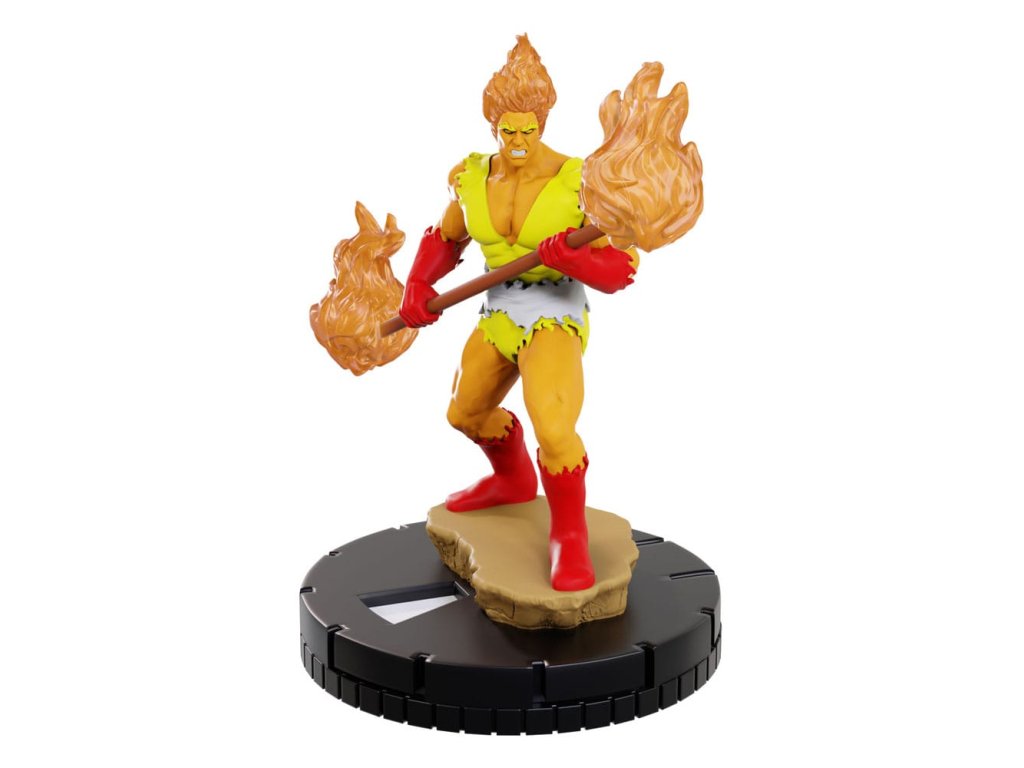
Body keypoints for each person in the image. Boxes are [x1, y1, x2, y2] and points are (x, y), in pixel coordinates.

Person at [398, 35, 637, 592]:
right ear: (493, 125)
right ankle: (512, 480)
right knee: (464, 412)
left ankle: (569, 533)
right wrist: (417, 283)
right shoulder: (471, 177)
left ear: (543, 122)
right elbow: (446, 237)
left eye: (529, 130)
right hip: (498, 310)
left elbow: (622, 269)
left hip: (554, 314)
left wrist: (576, 260)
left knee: (554, 427)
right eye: (509, 131)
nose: (520, 141)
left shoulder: (580, 182)